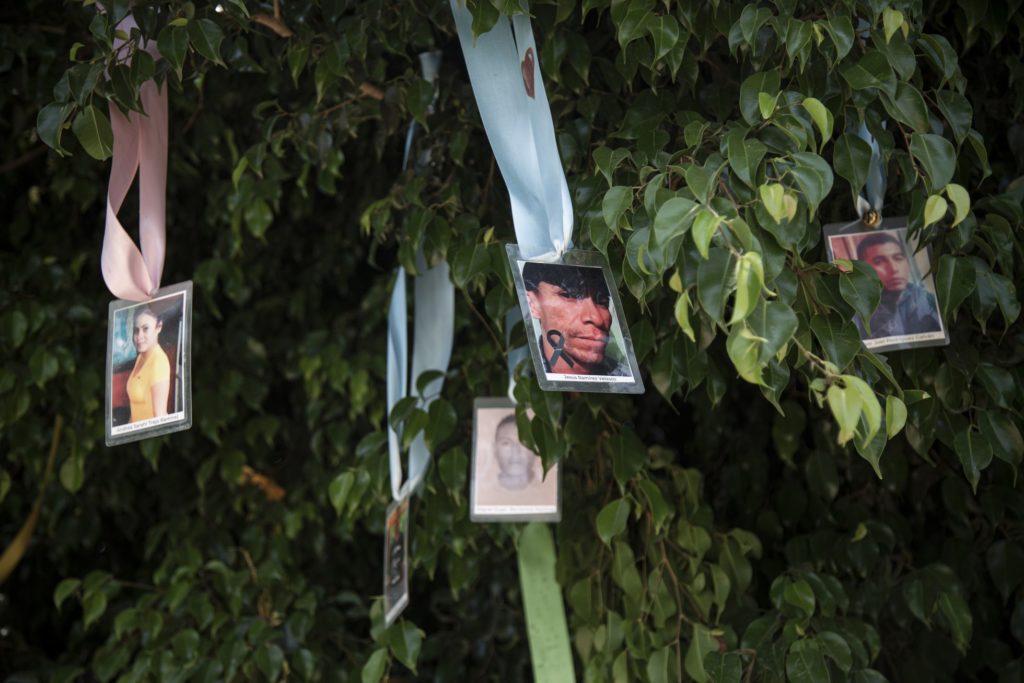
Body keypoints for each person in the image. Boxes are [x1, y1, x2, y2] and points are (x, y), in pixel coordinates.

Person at [522, 262, 628, 376]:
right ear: (533, 304)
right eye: (568, 295)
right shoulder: (526, 376)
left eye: (602, 301)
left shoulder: (626, 381)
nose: (597, 319)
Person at [854, 232, 942, 339]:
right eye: (879, 261)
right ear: (863, 271)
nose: (894, 268)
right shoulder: (855, 309)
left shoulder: (923, 297)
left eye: (898, 258)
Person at [126, 306, 170, 423]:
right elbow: (135, 409)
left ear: (158, 327)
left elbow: (159, 416)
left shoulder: (159, 362)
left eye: (145, 329)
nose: (139, 336)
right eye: (136, 330)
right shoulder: (141, 356)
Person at [493, 415, 538, 490]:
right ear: (494, 449)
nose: (516, 451)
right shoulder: (484, 491)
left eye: (524, 443)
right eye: (506, 443)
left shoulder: (548, 490)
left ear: (536, 448)